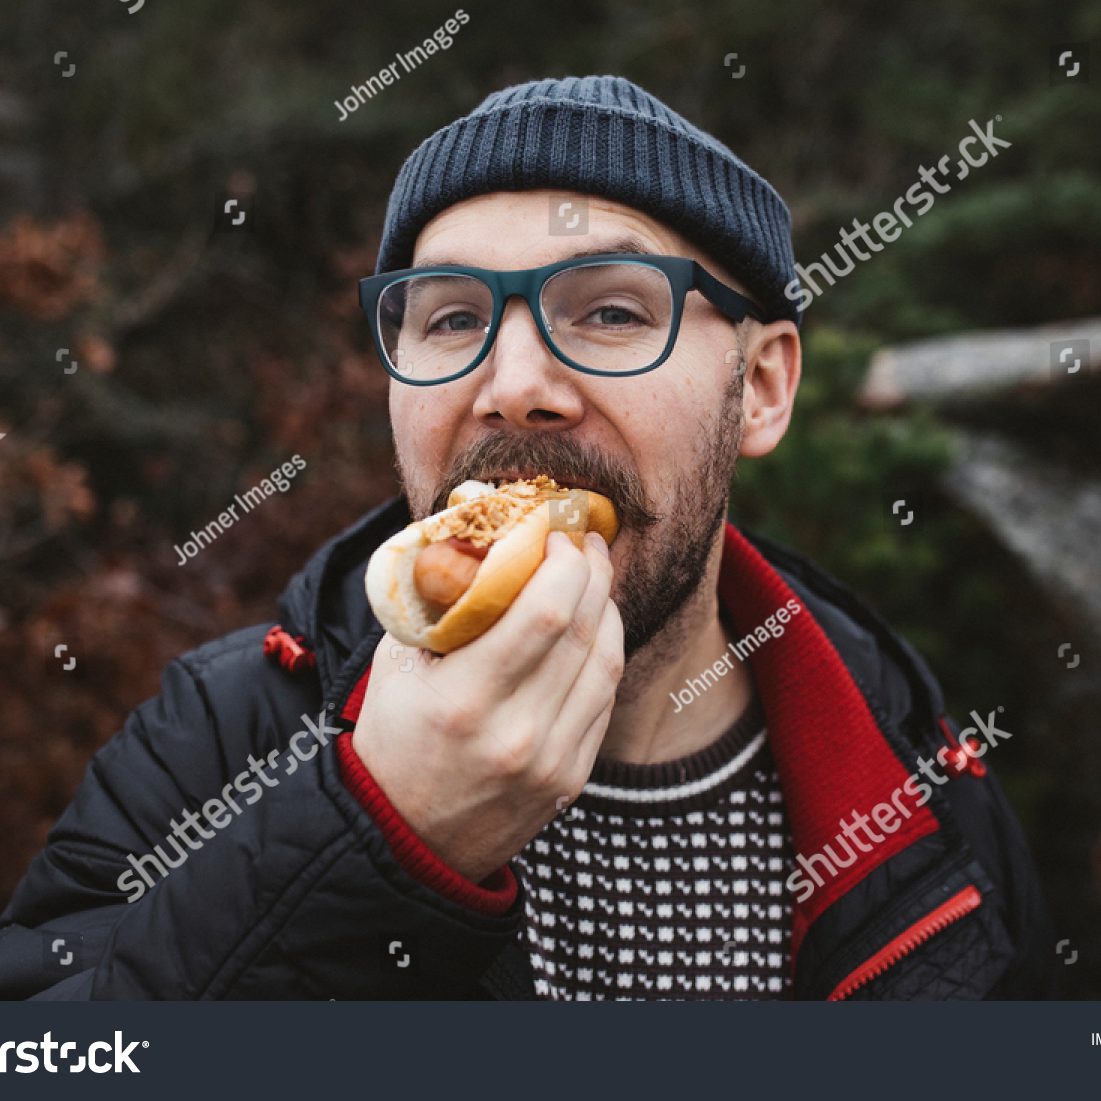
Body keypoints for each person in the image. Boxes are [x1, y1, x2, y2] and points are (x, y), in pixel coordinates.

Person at [0, 75, 1053, 1000]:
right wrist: (376, 840)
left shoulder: (925, 784)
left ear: (763, 389)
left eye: (610, 312)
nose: (513, 391)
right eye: (451, 318)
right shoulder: (215, 739)